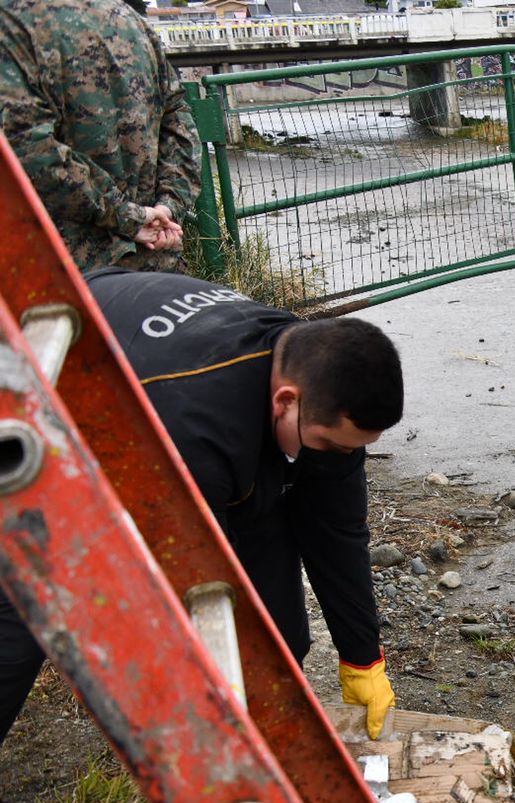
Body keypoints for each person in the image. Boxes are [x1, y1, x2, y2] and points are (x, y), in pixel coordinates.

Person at [0, 269, 404, 747]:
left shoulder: (314, 369)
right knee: (18, 619)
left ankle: (265, 743)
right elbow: (184, 590)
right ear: (286, 401)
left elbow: (334, 527)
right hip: (37, 413)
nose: (337, 457)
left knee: (276, 642)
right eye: (329, 445)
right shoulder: (194, 436)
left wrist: (362, 658)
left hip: (173, 392)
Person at [0, 0, 199, 273]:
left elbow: (25, 147)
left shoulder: (11, 21)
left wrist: (130, 216)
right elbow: (179, 122)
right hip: (157, 266)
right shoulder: (129, 19)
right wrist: (167, 207)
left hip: (69, 272)